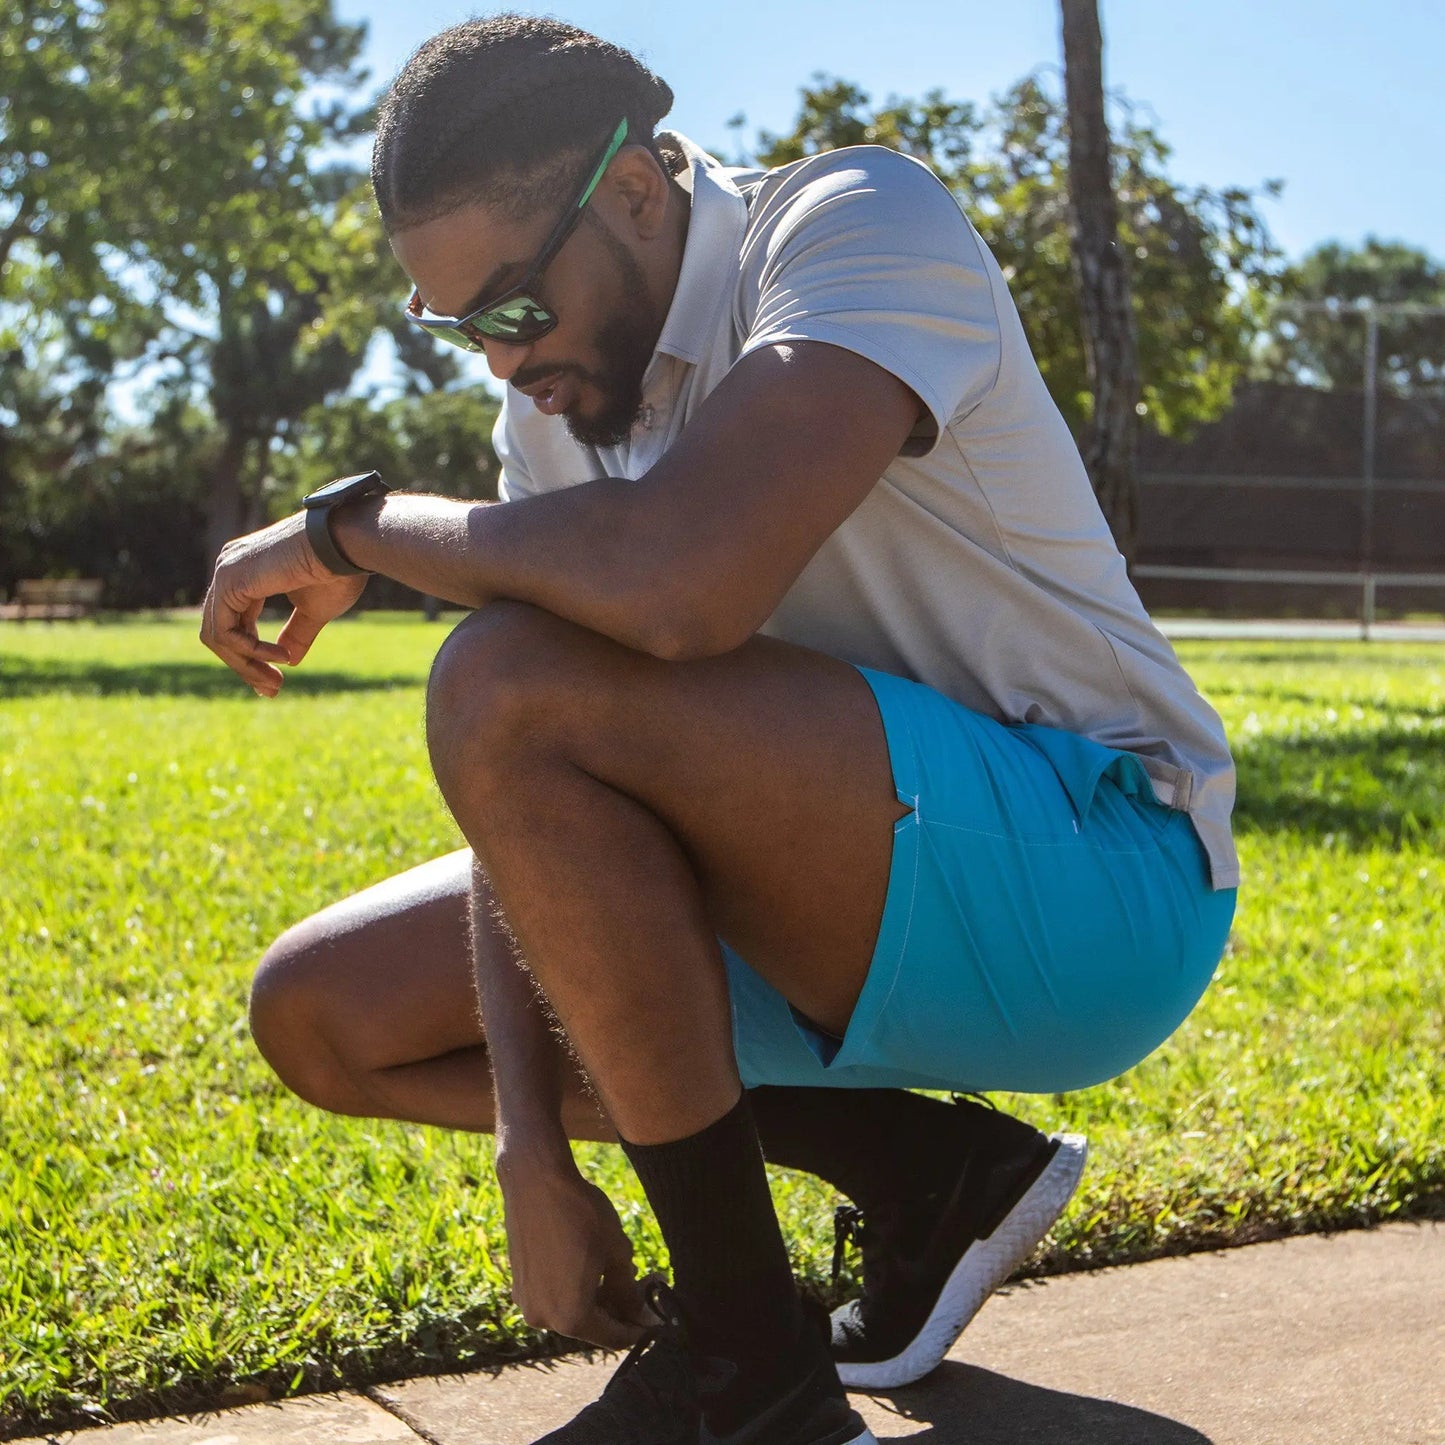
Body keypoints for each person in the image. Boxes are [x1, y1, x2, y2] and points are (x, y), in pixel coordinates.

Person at [199, 15, 1239, 1445]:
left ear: (632, 191)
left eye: (512, 309)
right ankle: (921, 1166)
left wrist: (355, 525)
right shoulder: (563, 405)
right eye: (462, 331)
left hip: (1099, 882)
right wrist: (524, 1142)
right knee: (321, 1012)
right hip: (844, 884)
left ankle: (750, 1375)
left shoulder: (853, 223)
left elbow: (680, 583)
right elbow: (530, 798)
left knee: (498, 671)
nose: (505, 367)